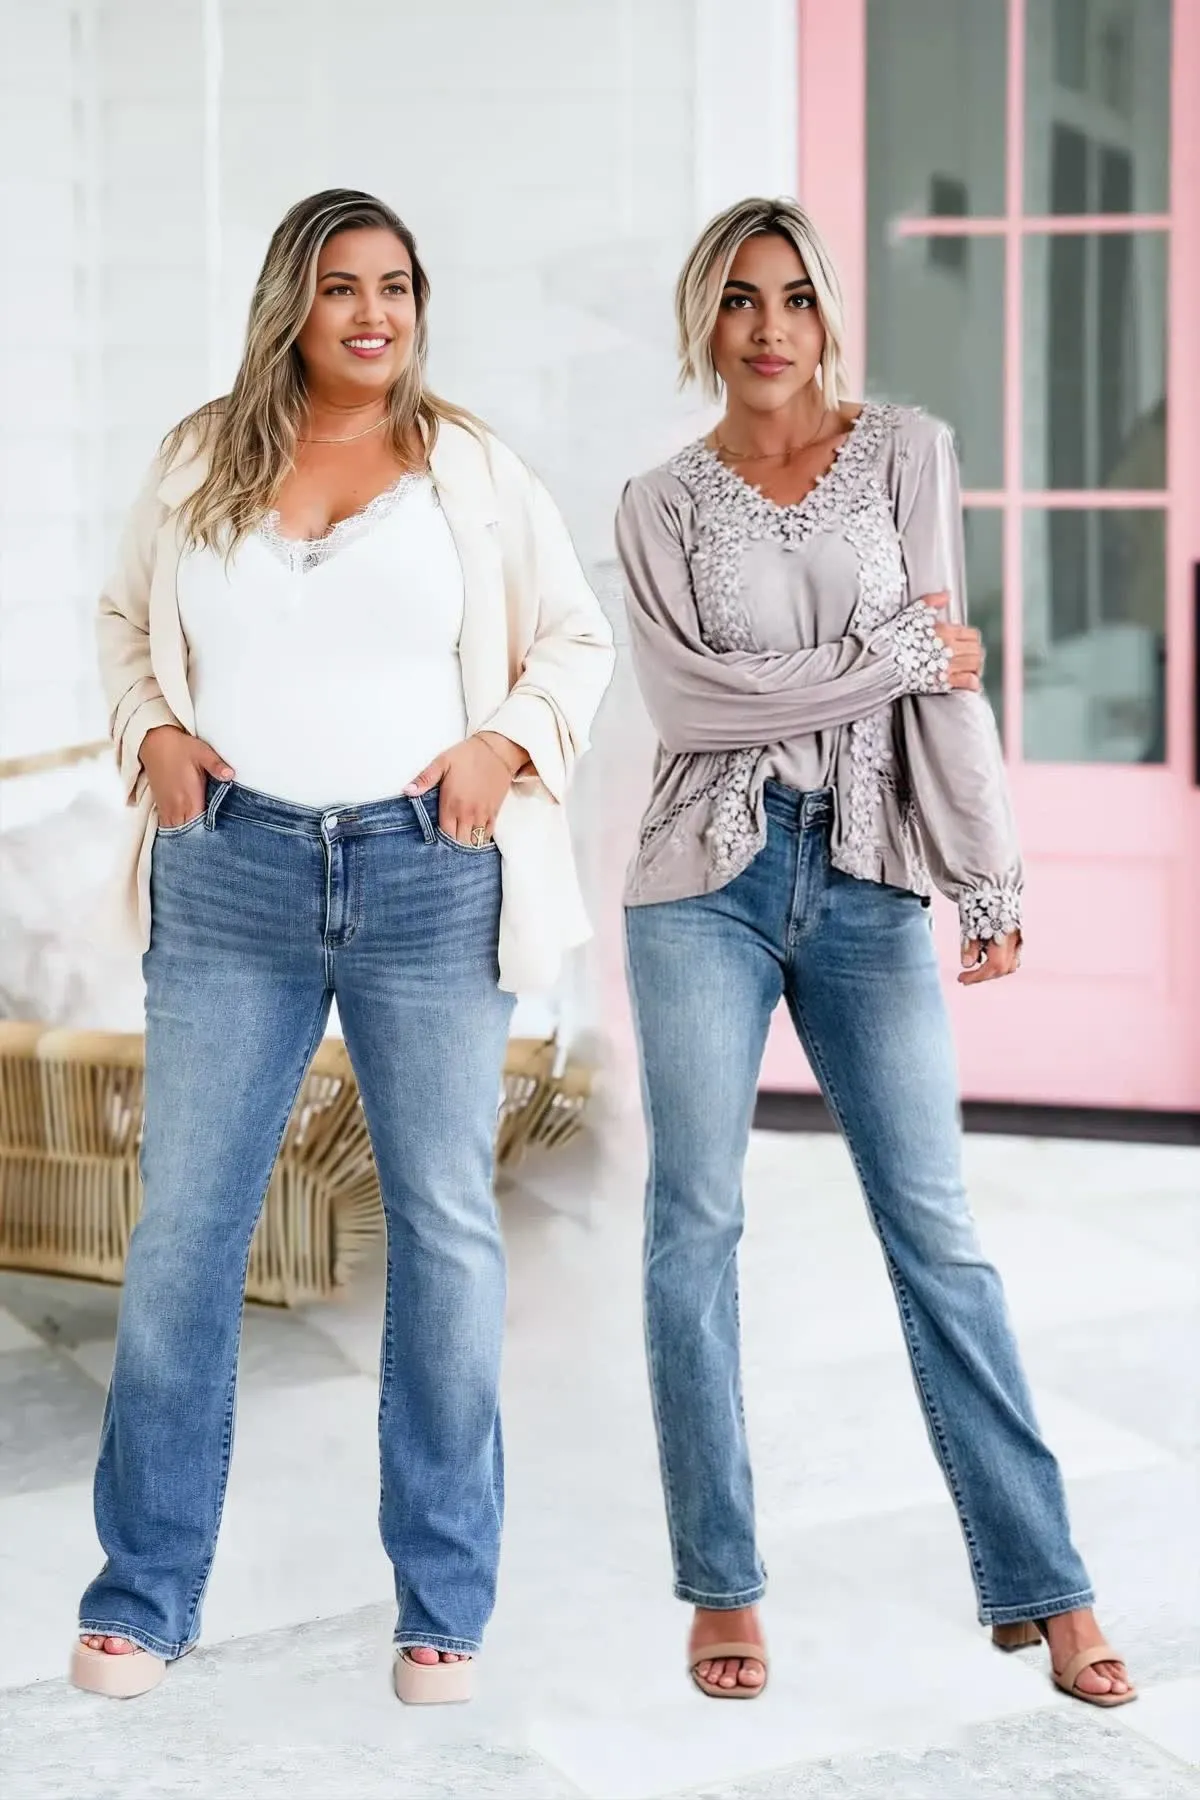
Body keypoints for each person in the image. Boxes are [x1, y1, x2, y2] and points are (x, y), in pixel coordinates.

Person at [74, 188, 614, 1705]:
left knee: (443, 1229)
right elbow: (123, 621)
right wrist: (153, 733)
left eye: (395, 286)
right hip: (227, 875)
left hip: (427, 876)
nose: (373, 313)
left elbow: (576, 637)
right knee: (185, 1232)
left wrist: (503, 746)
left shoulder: (474, 469)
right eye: (340, 287)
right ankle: (143, 1594)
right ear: (289, 307)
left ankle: (443, 1605)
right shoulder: (198, 458)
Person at [616, 197, 1134, 1709]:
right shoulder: (658, 502)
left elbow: (944, 687)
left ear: (828, 312)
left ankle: (1046, 1586)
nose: (768, 327)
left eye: (793, 297)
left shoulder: (906, 451)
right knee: (693, 1229)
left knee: (938, 1236)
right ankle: (722, 1585)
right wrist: (890, 653)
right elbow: (691, 710)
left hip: (869, 874)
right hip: (699, 884)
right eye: (738, 299)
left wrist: (985, 870)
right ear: (704, 321)